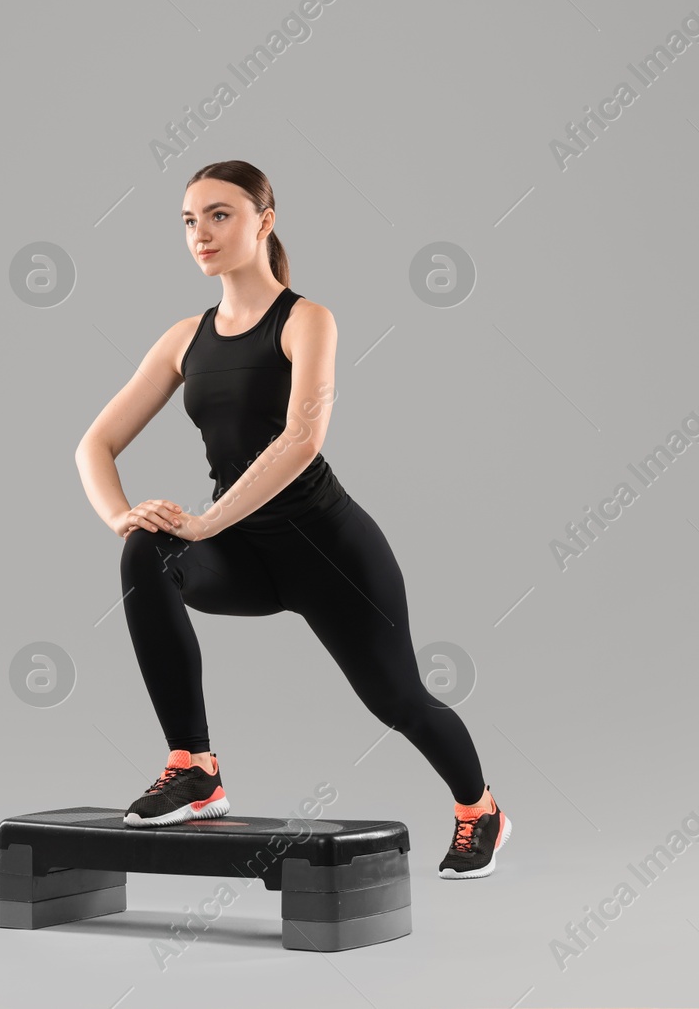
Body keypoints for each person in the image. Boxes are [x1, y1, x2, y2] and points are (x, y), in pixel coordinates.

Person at [73, 160, 507, 878]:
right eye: (189, 219)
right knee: (145, 550)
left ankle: (479, 808)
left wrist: (207, 519)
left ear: (263, 221)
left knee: (399, 700)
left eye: (219, 214)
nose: (200, 233)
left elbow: (302, 438)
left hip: (330, 552)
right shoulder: (185, 338)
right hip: (239, 557)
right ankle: (195, 765)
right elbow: (95, 442)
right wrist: (124, 514)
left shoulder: (307, 319)